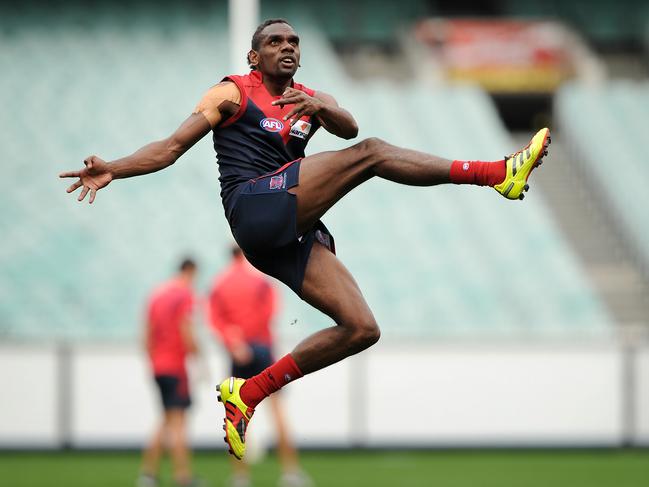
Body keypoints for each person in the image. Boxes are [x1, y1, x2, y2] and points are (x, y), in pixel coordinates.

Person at [60, 18, 551, 461]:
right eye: (275, 41)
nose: (287, 47)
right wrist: (113, 170)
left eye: (293, 41)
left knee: (361, 328)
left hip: (284, 228)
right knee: (374, 154)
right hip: (252, 207)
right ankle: (495, 173)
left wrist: (319, 106)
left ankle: (248, 393)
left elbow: (348, 125)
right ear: (255, 57)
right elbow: (170, 148)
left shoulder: (310, 99)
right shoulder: (231, 93)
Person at [208, 245, 312, 487]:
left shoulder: (220, 283)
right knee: (278, 412)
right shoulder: (261, 279)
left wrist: (235, 342)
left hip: (238, 351)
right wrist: (252, 339)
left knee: (235, 414)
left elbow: (215, 319)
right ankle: (291, 473)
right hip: (262, 348)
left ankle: (240, 477)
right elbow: (271, 311)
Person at [138, 258, 202, 487]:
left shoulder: (157, 294)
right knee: (178, 423)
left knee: (165, 419)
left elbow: (146, 332)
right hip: (175, 366)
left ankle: (148, 474)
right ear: (191, 272)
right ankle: (183, 477)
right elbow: (187, 329)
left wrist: (152, 360)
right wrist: (200, 359)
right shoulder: (184, 295)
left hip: (158, 365)